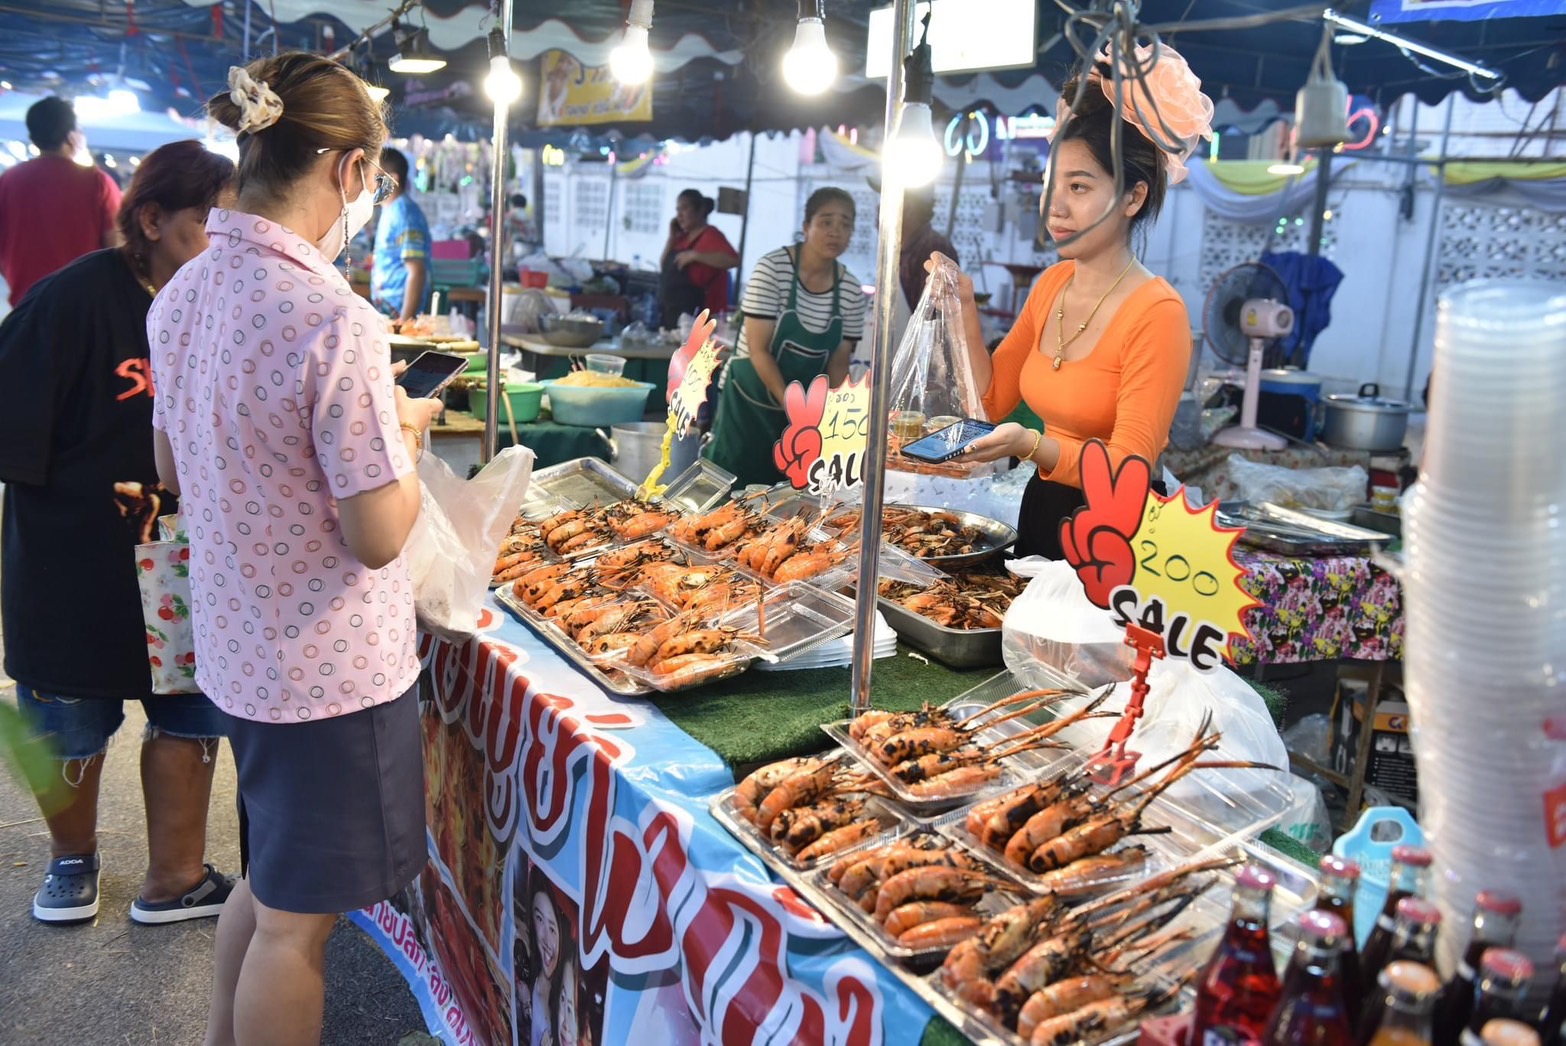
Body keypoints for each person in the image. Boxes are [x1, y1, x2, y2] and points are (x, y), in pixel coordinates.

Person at [148, 54, 444, 1045]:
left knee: (274, 884)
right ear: (352, 170)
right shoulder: (332, 318)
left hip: (237, 646)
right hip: (328, 677)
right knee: (295, 925)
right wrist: (402, 434)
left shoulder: (185, 292)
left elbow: (174, 460)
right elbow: (376, 533)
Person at [0, 140, 236, 926]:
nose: (225, 239)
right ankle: (72, 862)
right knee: (66, 718)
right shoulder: (67, 303)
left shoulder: (226, 302)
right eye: (208, 223)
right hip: (76, 559)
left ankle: (174, 877)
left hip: (191, 558)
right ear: (150, 218)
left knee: (190, 710)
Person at [936, 47, 1212, 558]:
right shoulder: (1052, 283)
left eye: (1079, 186)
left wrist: (1032, 446)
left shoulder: (1158, 314)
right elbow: (993, 401)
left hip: (1116, 533)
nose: (1054, 206)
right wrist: (963, 312)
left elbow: (1130, 467)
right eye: (1051, 184)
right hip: (1042, 506)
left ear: (1133, 198)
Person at [704, 187, 865, 487]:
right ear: (806, 227)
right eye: (826, 222)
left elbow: (839, 362)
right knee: (732, 484)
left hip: (805, 410)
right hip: (749, 399)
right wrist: (795, 408)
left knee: (789, 495)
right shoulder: (773, 269)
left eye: (845, 224)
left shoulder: (851, 291)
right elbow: (758, 349)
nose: (835, 232)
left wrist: (829, 416)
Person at [0, 96, 123, 306]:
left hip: (25, 307)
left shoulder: (7, 181)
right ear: (72, 137)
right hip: (84, 306)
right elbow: (117, 249)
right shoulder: (97, 182)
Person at [657, 188, 739, 329]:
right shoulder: (681, 238)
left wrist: (695, 256)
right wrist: (671, 238)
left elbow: (733, 260)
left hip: (697, 319)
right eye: (678, 210)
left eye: (684, 209)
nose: (679, 216)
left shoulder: (711, 235)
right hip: (671, 316)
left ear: (700, 210)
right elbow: (663, 265)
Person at [371, 146, 431, 322]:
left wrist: (404, 324)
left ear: (392, 179)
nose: (368, 182)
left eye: (374, 176)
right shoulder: (390, 210)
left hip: (399, 312)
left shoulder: (404, 213)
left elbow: (417, 272)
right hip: (387, 309)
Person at [898, 186, 957, 311]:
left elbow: (934, 314)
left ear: (907, 206)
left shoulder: (935, 248)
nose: (878, 209)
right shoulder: (900, 249)